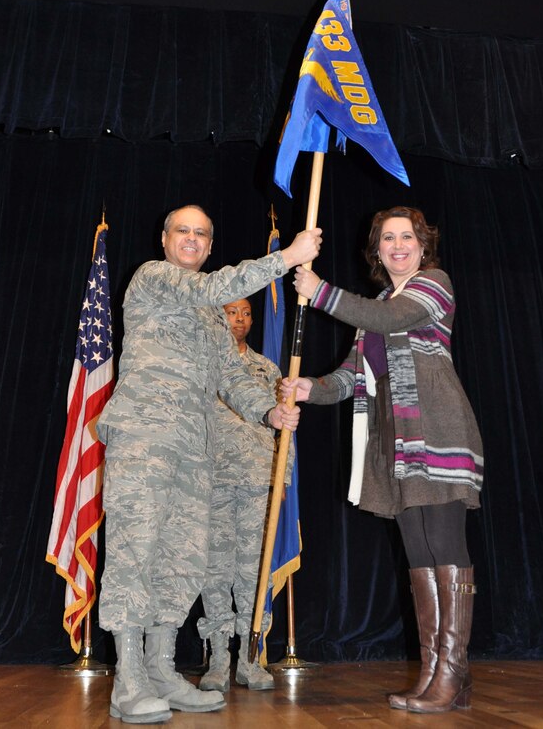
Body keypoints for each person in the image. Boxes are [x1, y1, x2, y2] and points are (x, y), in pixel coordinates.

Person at [97, 205, 321, 724]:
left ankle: (160, 669)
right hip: (145, 439)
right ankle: (128, 679)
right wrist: (286, 257)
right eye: (184, 231)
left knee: (183, 559)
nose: (192, 240)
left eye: (202, 233)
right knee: (137, 550)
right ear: (166, 237)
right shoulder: (155, 278)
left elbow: (233, 377)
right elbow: (210, 289)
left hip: (196, 452)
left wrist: (268, 409)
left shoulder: (211, 319)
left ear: (210, 244)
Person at [282, 206, 483, 715]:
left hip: (438, 429)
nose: (398, 245)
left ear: (422, 245)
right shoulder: (373, 302)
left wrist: (320, 290)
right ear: (376, 251)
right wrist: (311, 388)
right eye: (388, 238)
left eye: (407, 237)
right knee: (418, 553)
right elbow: (352, 375)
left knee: (444, 544)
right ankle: (436, 675)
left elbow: (390, 319)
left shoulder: (433, 285)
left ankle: (453, 675)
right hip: (397, 442)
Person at [198, 298, 294, 693]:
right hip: (213, 480)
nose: (239, 319)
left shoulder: (267, 369)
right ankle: (219, 658)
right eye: (231, 312)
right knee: (215, 569)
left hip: (257, 482)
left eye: (246, 313)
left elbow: (284, 430)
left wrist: (282, 479)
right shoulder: (204, 361)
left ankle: (251, 658)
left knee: (254, 570)